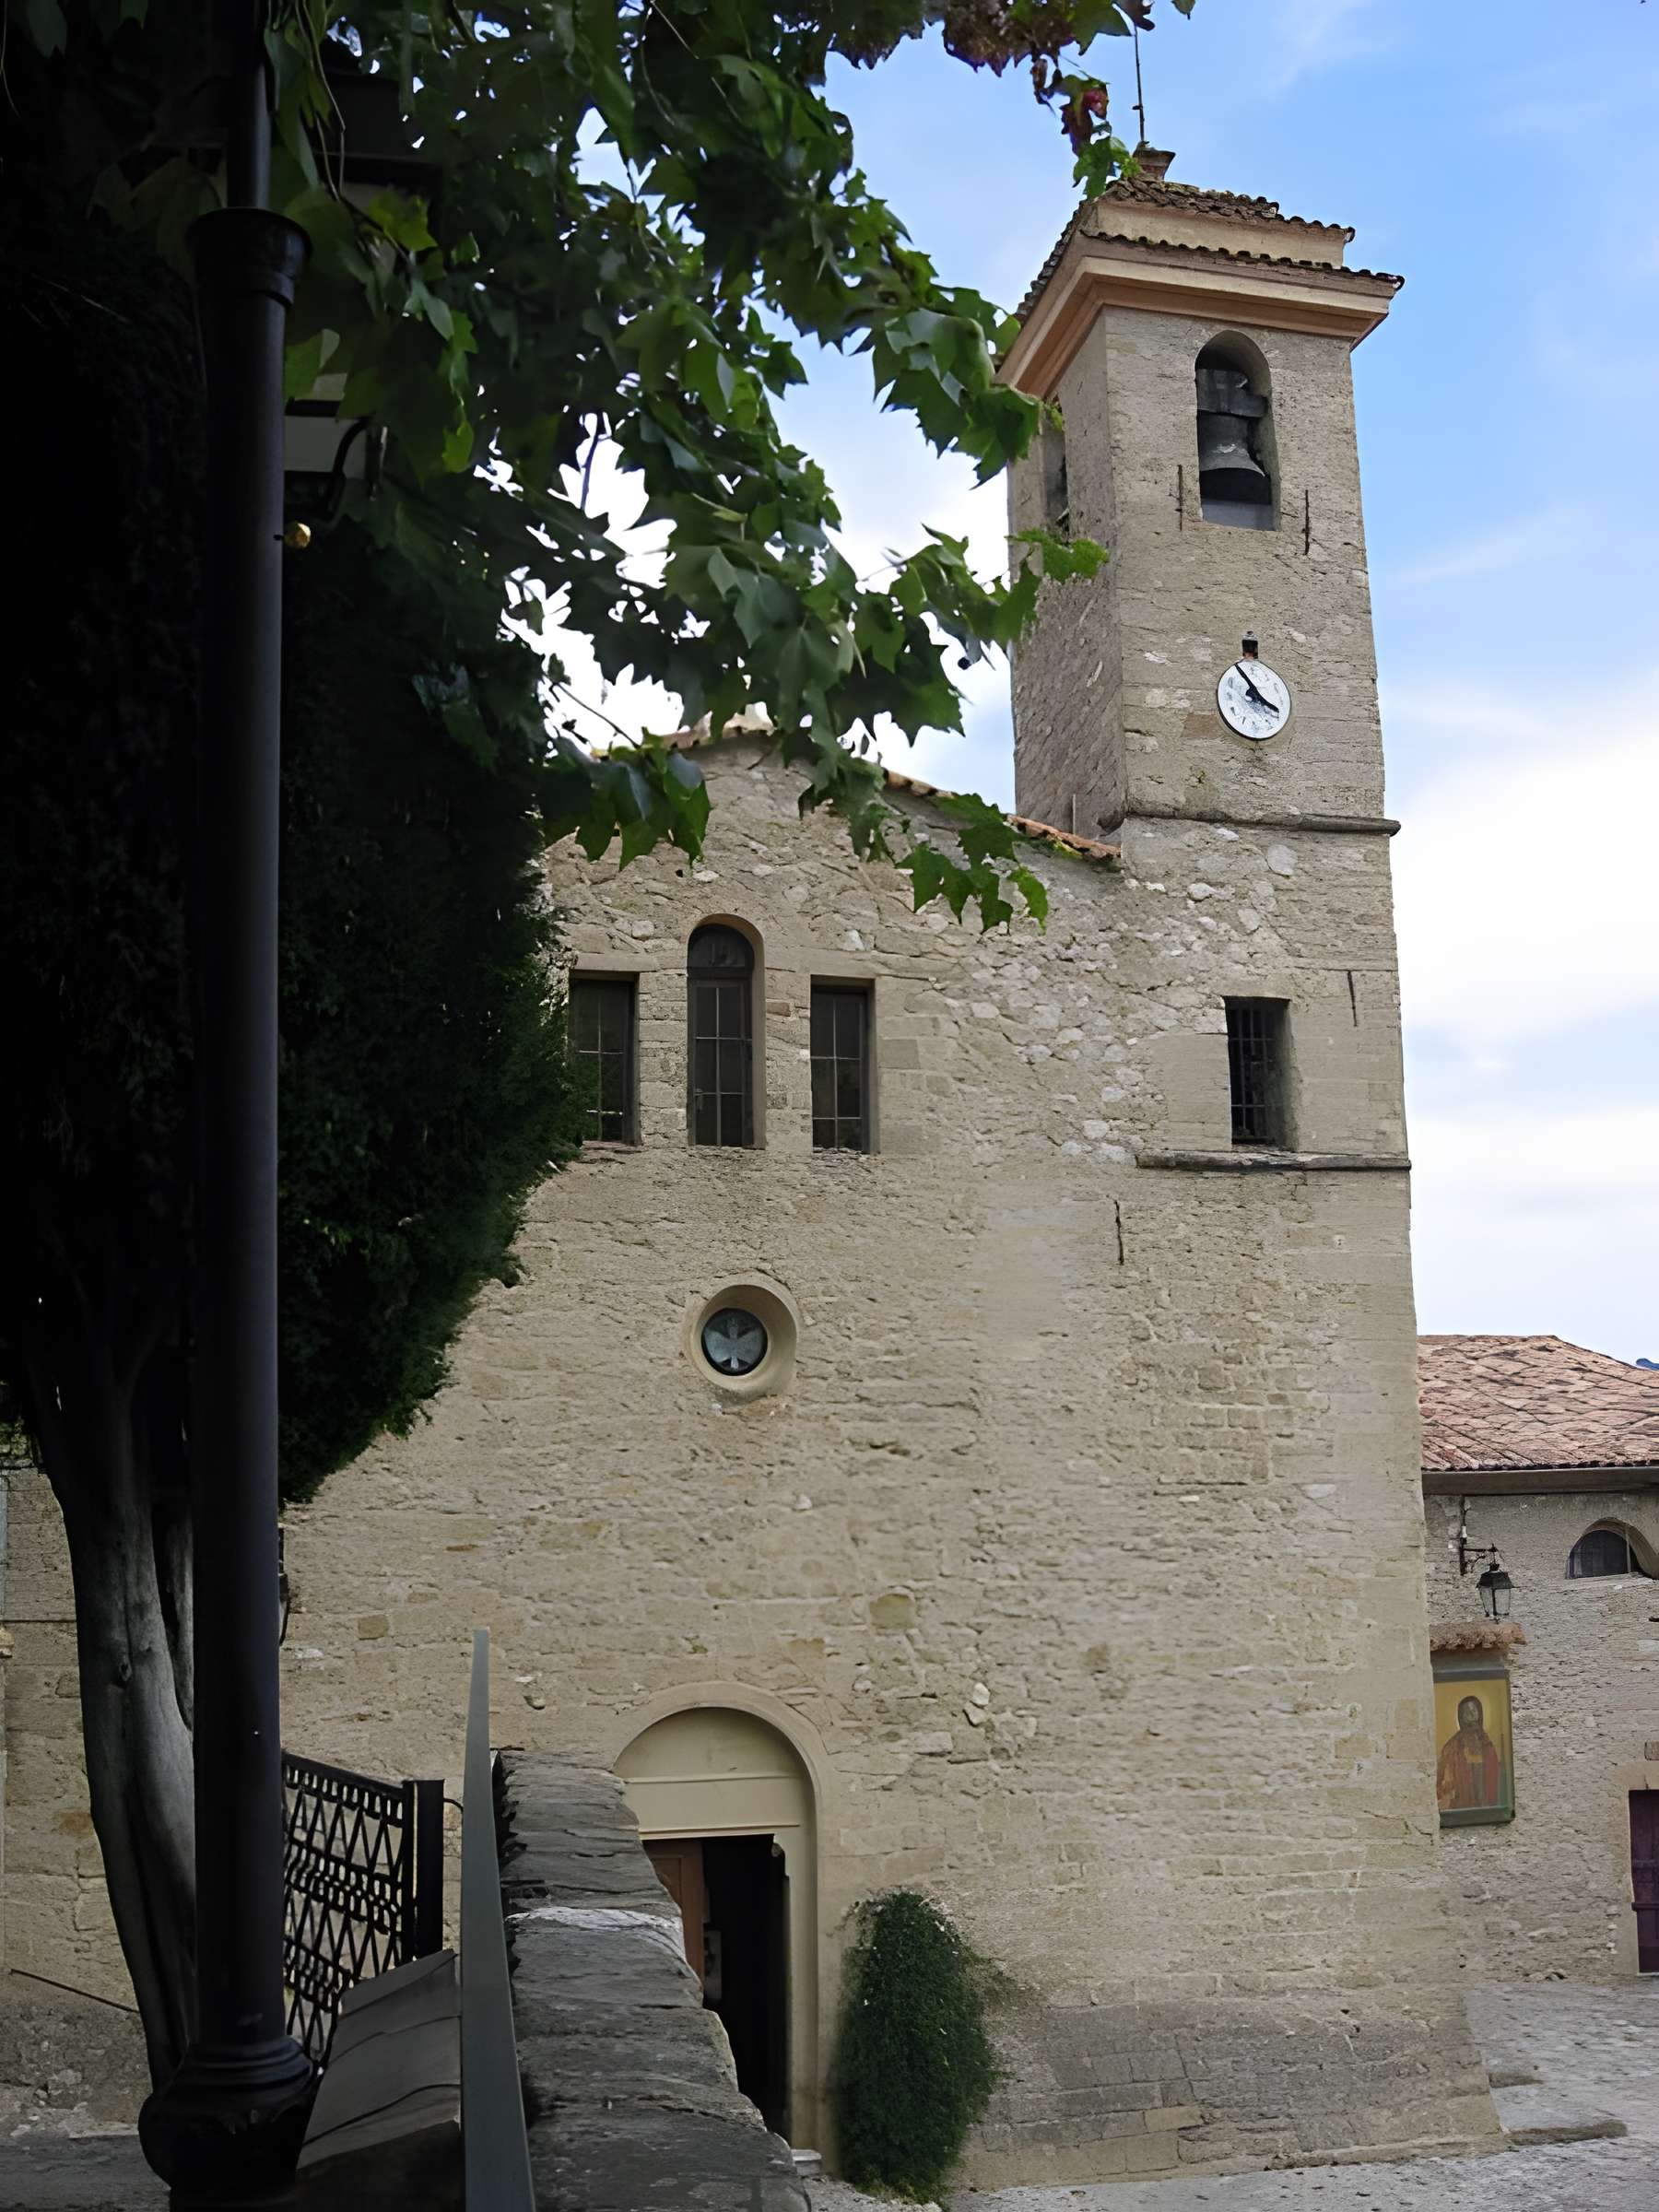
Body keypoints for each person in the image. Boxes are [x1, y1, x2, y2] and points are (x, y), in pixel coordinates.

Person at [1438, 1693, 1503, 1810]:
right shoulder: (1452, 1746)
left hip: (1485, 1805)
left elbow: (1495, 1773)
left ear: (1480, 1714)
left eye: (1474, 1711)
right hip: (1461, 1804)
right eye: (1467, 1712)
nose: (1472, 1715)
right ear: (1461, 1717)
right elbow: (1444, 1779)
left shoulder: (1486, 1744)